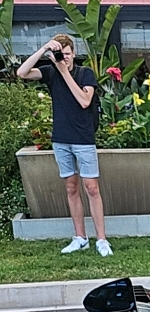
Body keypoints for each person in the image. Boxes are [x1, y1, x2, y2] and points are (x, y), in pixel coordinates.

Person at [17, 33, 111, 256]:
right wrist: (43, 50)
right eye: (60, 54)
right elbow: (21, 73)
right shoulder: (50, 72)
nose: (64, 58)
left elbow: (84, 100)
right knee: (71, 187)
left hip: (83, 138)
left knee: (92, 188)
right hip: (61, 139)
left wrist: (63, 71)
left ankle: (102, 239)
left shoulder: (85, 73)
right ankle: (80, 237)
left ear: (74, 54)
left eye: (67, 54)